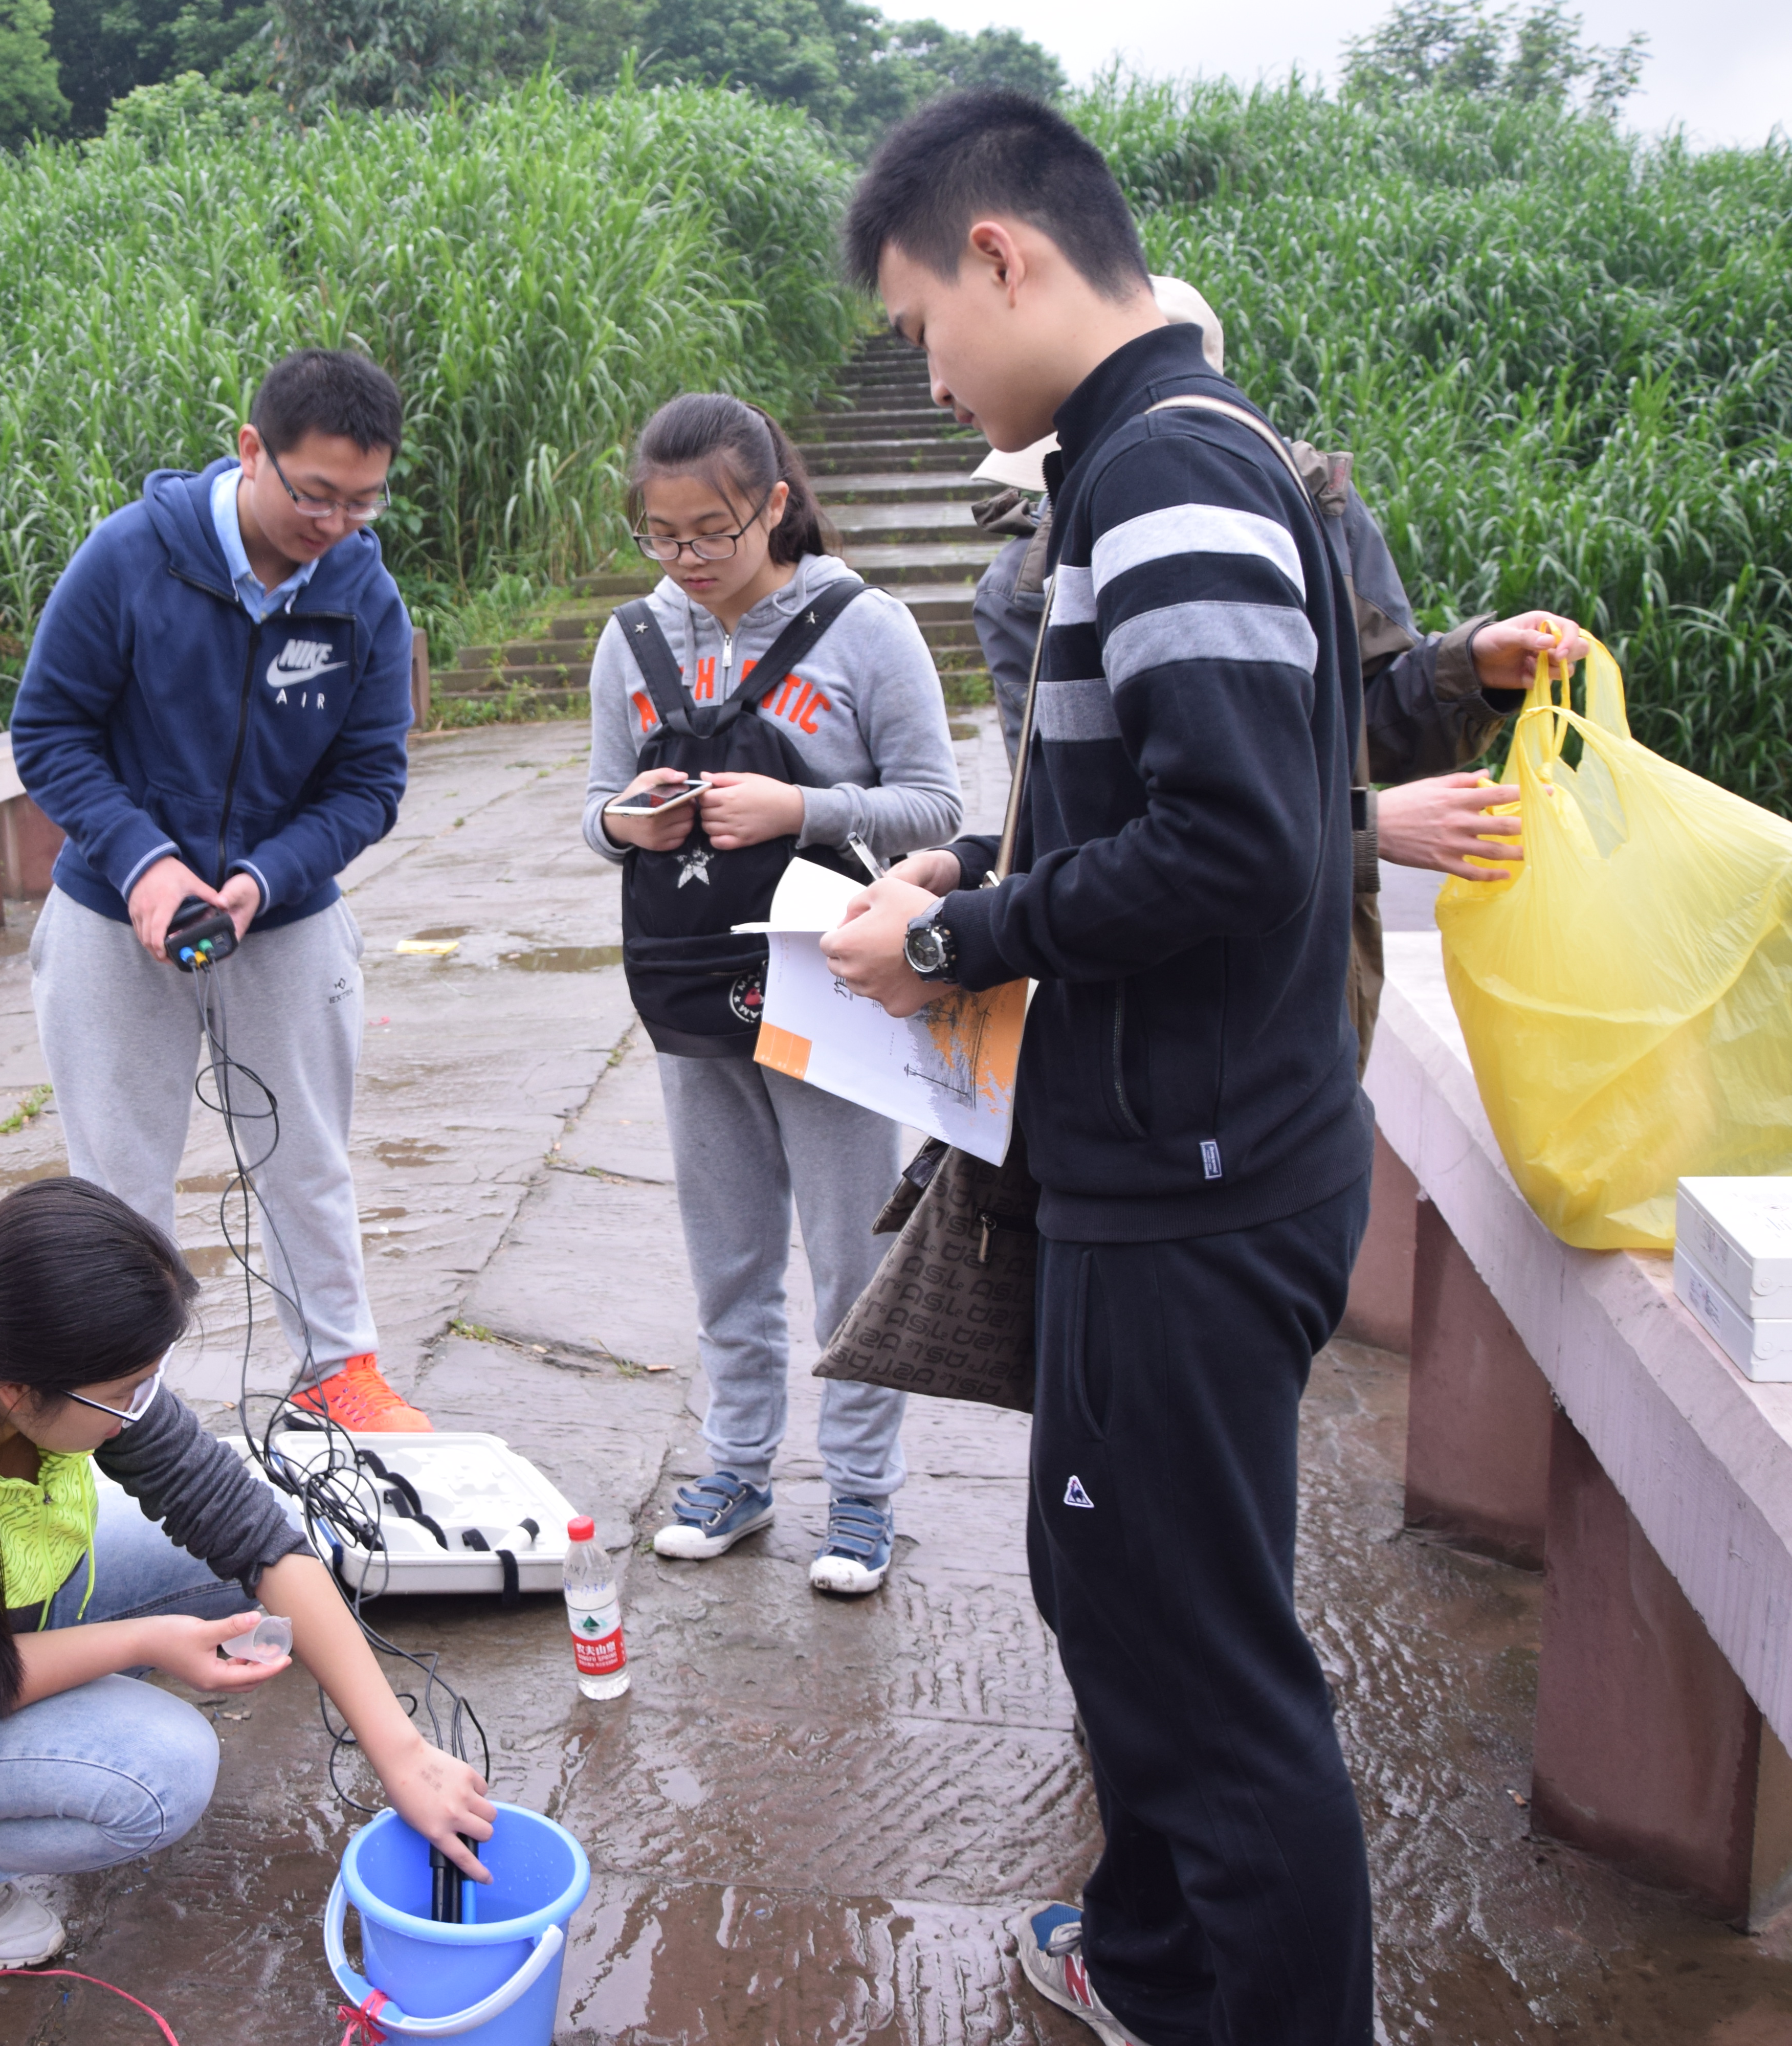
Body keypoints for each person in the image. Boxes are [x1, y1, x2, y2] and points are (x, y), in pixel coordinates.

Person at [823, 91, 1382, 2045]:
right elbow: (1153, 804)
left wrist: (961, 943)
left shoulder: (1164, 476)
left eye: (918, 324)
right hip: (1177, 1152)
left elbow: (1241, 846)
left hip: (1200, 1175)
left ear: (1001, 254)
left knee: (1205, 1672)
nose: (927, 364)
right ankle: (1147, 1967)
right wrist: (971, 870)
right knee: (1125, 1608)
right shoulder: (1156, 461)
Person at [0, 1175, 497, 1971]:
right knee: (160, 1773)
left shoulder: (54, 1376)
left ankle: (37, 1748)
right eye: (127, 1392)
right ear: (16, 1393)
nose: (144, 1406)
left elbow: (254, 1533)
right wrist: (152, 1640)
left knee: (258, 1573)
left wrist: (401, 1754)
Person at [581, 393, 965, 1595]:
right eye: (665, 535)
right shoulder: (631, 642)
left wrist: (802, 810)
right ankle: (737, 1465)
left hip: (826, 981)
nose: (689, 561)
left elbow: (936, 807)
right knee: (727, 1251)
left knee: (848, 1252)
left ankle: (861, 1494)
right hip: (692, 985)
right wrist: (625, 820)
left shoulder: (867, 627)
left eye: (715, 532)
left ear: (775, 505)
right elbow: (596, 818)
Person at [10, 351, 426, 1431]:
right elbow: (48, 730)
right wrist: (143, 862)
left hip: (284, 917)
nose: (336, 520)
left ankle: (338, 1370)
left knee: (304, 1154)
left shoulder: (363, 595)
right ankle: (117, 1392)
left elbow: (372, 779)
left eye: (363, 498)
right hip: (112, 912)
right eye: (315, 492)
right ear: (253, 451)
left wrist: (261, 879)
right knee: (116, 1175)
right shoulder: (131, 557)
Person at [964, 278, 1592, 911]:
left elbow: (1353, 717)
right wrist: (1365, 829)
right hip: (1163, 963)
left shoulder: (1316, 510)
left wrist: (1470, 666)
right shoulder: (1027, 590)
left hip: (1312, 956)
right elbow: (1078, 820)